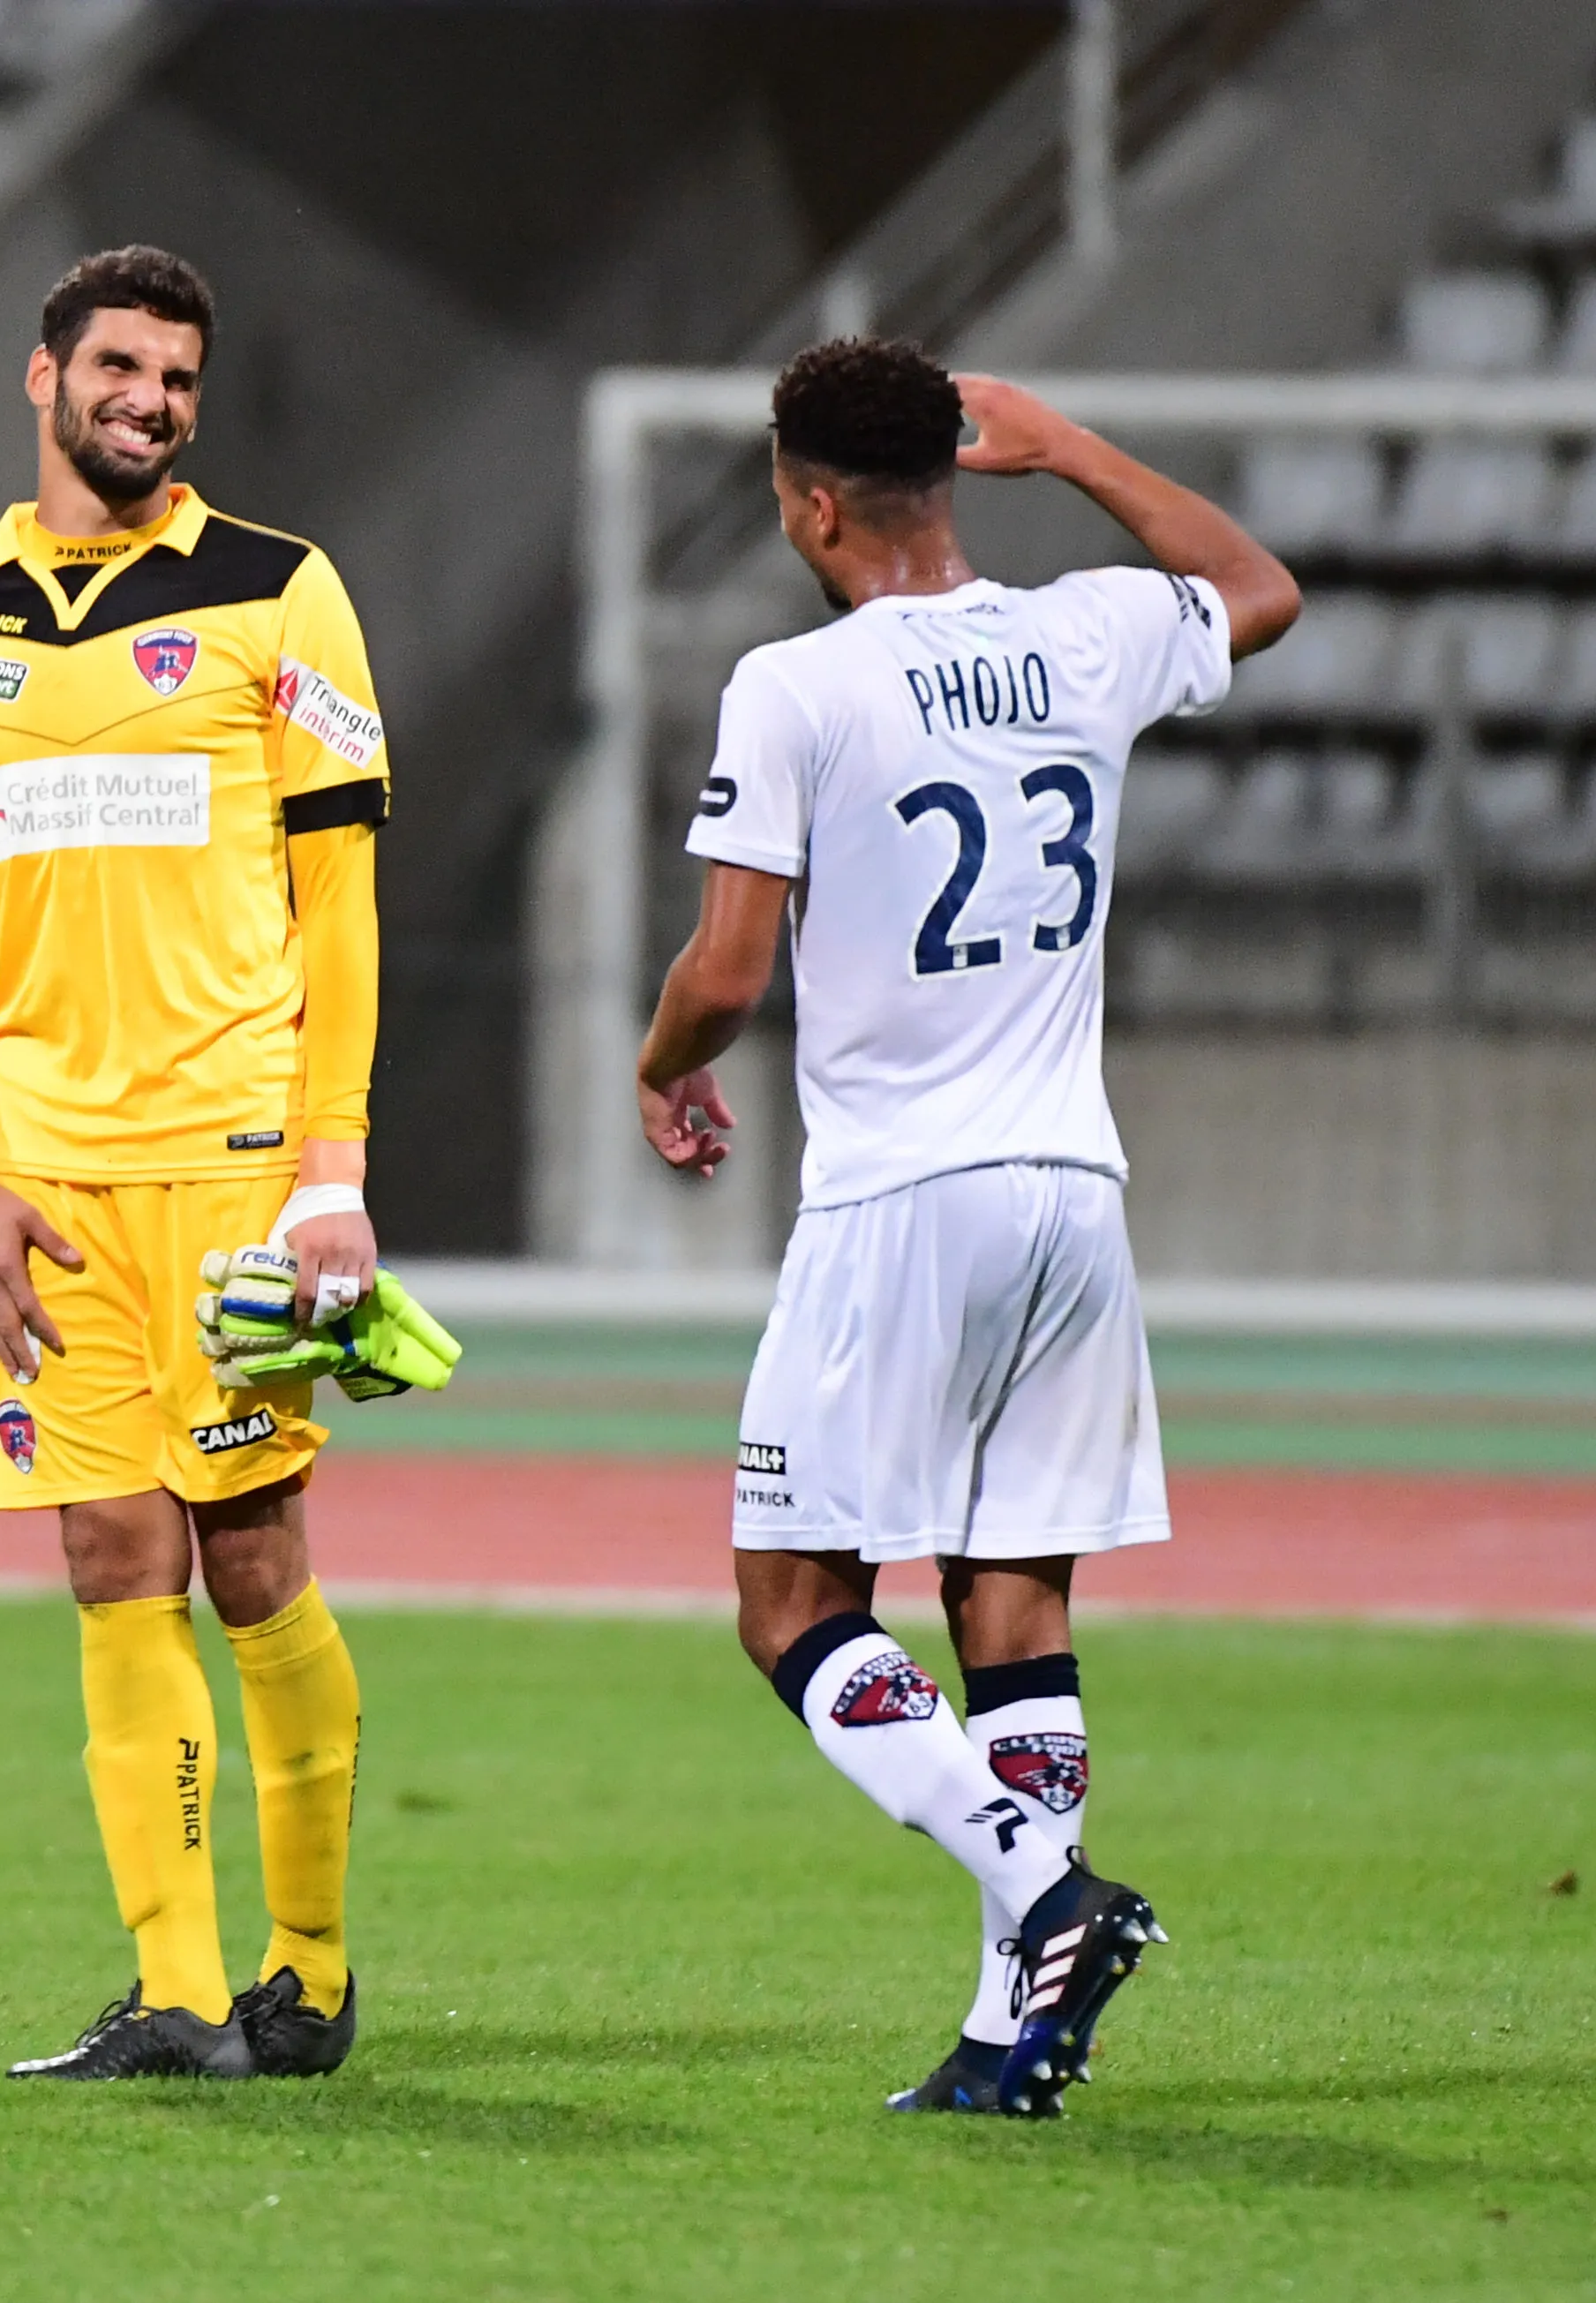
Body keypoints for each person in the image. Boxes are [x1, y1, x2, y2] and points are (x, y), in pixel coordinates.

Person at [632, 339, 1299, 2118]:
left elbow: (728, 964)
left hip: (899, 1196)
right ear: (958, 472)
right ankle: (1018, 2032)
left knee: (790, 1601)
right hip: (1075, 1188)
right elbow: (1259, 588)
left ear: (814, 502)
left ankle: (1044, 1886)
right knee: (1012, 1591)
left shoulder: (795, 682)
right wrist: (1071, 443)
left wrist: (658, 1058)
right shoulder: (1085, 631)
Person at [0, 245, 389, 2082]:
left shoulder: (279, 589)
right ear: (44, 378)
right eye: (121, 369)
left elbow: (342, 898)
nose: (151, 402)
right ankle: (176, 1994)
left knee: (250, 1549)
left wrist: (334, 1165)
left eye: (178, 377)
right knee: (107, 1552)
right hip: (49, 1181)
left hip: (240, 1159)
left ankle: (307, 1968)